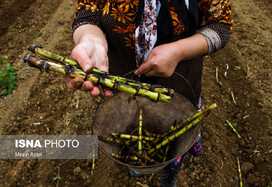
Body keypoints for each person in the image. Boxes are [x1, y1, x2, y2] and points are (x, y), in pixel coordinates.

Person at [67, 0, 233, 186]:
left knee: (175, 143)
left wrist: (178, 51)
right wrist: (91, 40)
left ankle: (170, 175)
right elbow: (87, 16)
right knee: (132, 135)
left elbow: (220, 25)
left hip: (179, 86)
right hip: (125, 89)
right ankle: (140, 165)